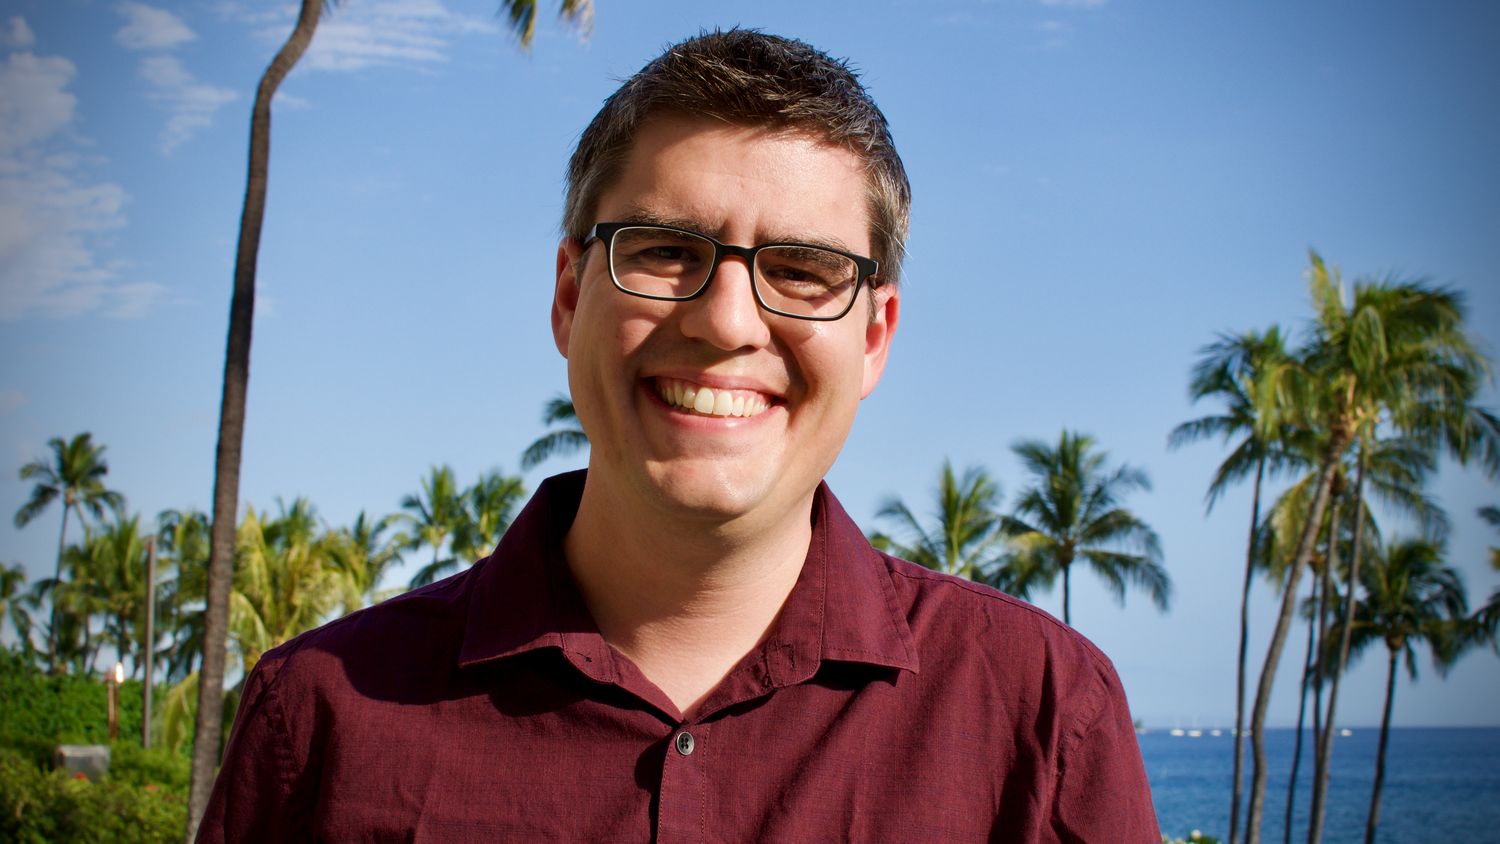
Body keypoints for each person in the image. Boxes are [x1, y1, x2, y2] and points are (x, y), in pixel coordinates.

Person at [197, 29, 1159, 842]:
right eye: (665, 251)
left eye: (802, 268)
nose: (727, 321)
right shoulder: (322, 719)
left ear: (873, 337)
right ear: (570, 297)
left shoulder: (1040, 715)